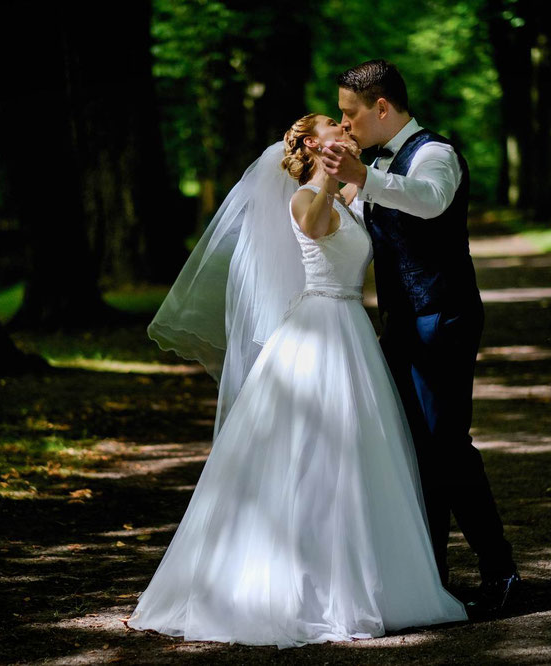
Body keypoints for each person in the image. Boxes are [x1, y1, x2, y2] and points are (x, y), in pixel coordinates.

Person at [125, 113, 467, 648]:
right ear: (312, 143)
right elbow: (311, 224)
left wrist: (355, 176)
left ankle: (361, 579)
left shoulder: (346, 196)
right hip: (318, 332)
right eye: (334, 122)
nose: (345, 124)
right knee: (312, 452)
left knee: (356, 455)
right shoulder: (306, 198)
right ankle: (296, 587)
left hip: (349, 328)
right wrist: (330, 175)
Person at [320, 59, 520, 613]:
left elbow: (428, 200)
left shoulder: (435, 154)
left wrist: (363, 178)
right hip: (400, 324)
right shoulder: (373, 167)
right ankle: (429, 576)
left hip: (444, 317)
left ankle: (500, 570)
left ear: (381, 107)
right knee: (412, 450)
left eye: (350, 113)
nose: (345, 125)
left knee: (446, 444)